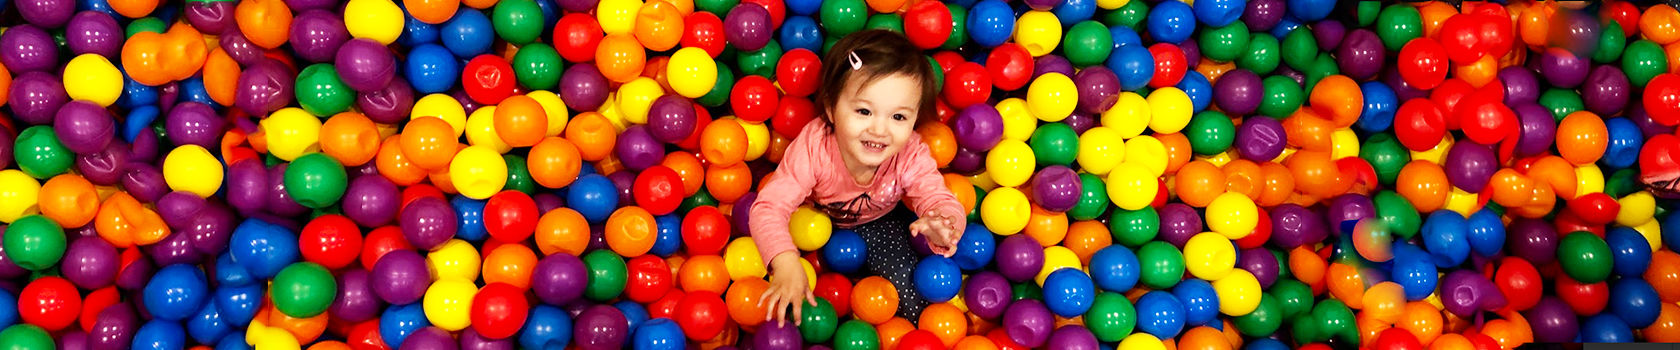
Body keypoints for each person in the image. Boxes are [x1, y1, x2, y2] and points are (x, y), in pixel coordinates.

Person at [750, 29, 967, 326]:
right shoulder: (814, 147)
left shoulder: (910, 153)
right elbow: (769, 208)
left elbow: (938, 198)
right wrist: (785, 261)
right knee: (790, 312)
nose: (879, 130)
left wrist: (944, 224)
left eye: (898, 117)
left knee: (911, 299)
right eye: (864, 111)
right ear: (831, 108)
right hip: (809, 224)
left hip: (880, 224)